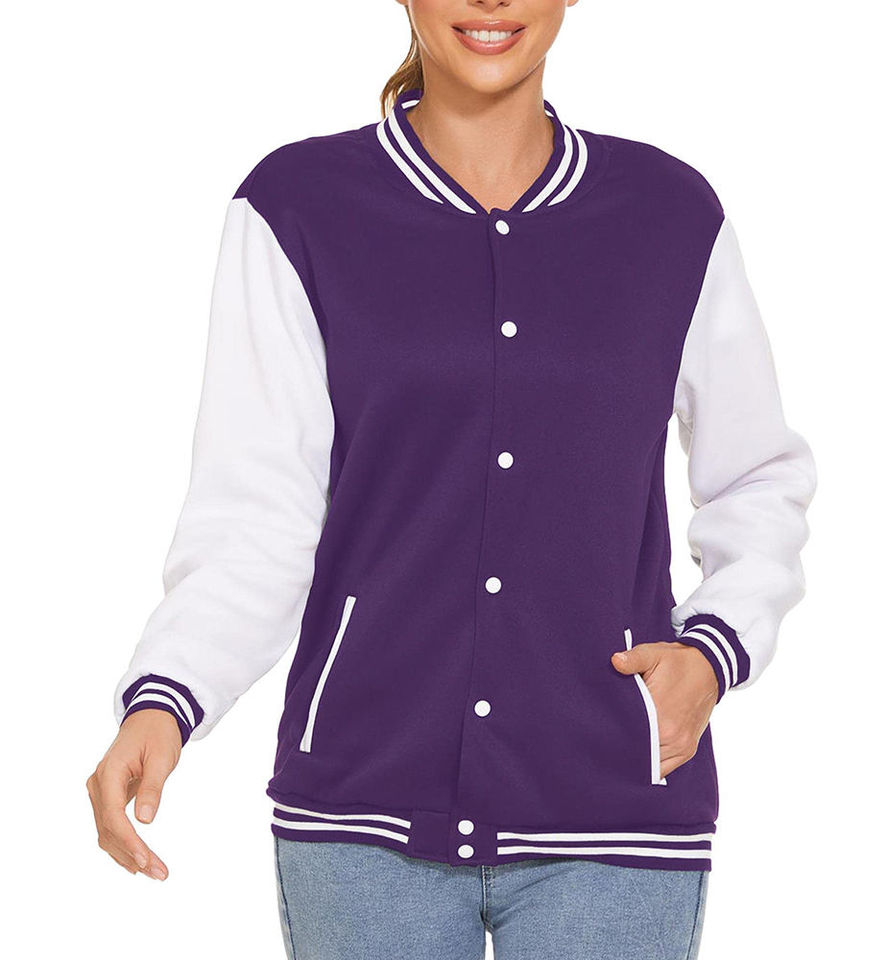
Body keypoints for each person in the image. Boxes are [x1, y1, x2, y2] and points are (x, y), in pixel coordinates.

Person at [87, 1, 816, 957]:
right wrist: (167, 694)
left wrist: (712, 654)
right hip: (363, 813)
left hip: (613, 810)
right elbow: (257, 515)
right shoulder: (299, 208)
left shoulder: (671, 215)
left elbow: (757, 475)